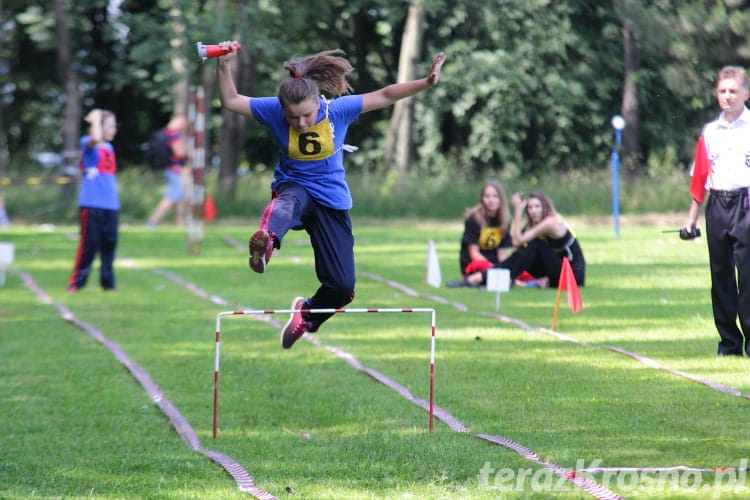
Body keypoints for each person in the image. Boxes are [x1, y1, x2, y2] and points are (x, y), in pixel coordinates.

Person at [216, 43, 446, 349]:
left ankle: (306, 316)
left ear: (318, 102)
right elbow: (231, 100)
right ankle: (267, 241)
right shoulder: (273, 109)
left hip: (332, 201)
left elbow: (387, 94)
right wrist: (223, 65)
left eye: (306, 116)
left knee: (342, 287)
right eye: (293, 118)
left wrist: (426, 83)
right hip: (295, 188)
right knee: (287, 203)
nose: (300, 124)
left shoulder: (339, 111)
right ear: (282, 110)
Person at [682, 65, 750, 357]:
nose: (727, 96)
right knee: (720, 276)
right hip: (718, 207)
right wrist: (690, 220)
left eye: (733, 91)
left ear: (745, 93)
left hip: (746, 204)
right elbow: (700, 179)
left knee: (747, 276)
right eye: (722, 91)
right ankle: (729, 343)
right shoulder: (710, 132)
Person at [67, 108, 119, 292]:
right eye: (111, 126)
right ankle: (77, 282)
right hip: (92, 204)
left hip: (111, 205)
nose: (114, 129)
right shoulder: (88, 143)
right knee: (89, 245)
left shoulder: (110, 148)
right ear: (100, 127)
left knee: (109, 245)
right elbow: (95, 139)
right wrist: (96, 119)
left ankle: (108, 284)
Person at [446, 180, 513, 287]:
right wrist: (493, 268)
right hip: (476, 263)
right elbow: (473, 253)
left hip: (495, 264)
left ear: (501, 199)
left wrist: (504, 268)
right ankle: (475, 279)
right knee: (488, 269)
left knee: (517, 269)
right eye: (487, 196)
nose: (491, 200)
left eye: (495, 196)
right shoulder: (474, 218)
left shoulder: (505, 220)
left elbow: (502, 254)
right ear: (482, 199)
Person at [146, 115, 188, 227]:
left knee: (179, 197)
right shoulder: (174, 135)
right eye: (184, 123)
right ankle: (151, 222)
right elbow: (180, 153)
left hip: (169, 168)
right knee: (171, 197)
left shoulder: (165, 132)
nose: (185, 126)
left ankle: (180, 223)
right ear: (179, 121)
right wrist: (187, 150)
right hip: (175, 169)